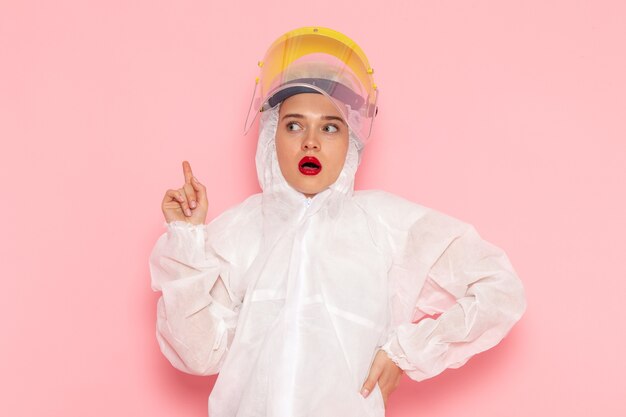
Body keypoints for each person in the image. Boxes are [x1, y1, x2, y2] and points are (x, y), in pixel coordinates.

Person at [149, 26, 527, 417]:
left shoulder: (385, 225)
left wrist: (406, 353)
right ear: (270, 134)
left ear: (352, 142)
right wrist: (186, 238)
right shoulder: (240, 231)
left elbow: (500, 289)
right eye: (294, 125)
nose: (310, 141)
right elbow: (198, 354)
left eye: (330, 127)